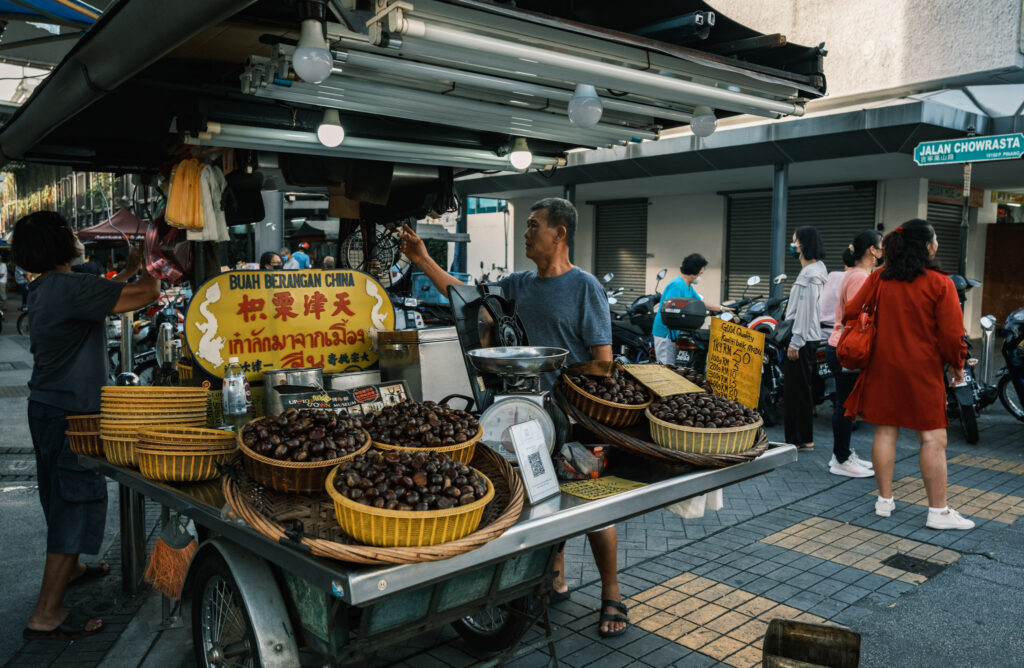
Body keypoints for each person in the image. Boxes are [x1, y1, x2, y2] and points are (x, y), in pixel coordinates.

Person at [399, 199, 630, 638]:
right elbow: (466, 298)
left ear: (559, 233)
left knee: (594, 506)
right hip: (524, 412)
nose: (526, 232)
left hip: (574, 415)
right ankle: (554, 577)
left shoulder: (585, 287)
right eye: (526, 225)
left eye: (533, 225)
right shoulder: (518, 284)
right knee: (541, 499)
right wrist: (422, 259)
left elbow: (603, 363)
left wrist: (573, 392)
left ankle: (612, 594)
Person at [14, 211, 160, 640]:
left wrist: (129, 268)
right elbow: (146, 294)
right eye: (68, 232)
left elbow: (107, 291)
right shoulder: (72, 286)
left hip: (46, 405)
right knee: (75, 502)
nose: (77, 237)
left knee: (59, 497)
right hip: (71, 414)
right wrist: (153, 257)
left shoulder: (46, 286)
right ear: (60, 244)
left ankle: (72, 568)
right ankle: (46, 613)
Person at [843, 219, 974, 530]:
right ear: (926, 246)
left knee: (885, 431)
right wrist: (958, 363)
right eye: (936, 238)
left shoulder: (879, 278)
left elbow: (851, 310)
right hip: (922, 370)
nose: (938, 243)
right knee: (932, 438)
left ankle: (884, 500)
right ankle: (937, 512)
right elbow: (952, 335)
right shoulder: (940, 283)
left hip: (881, 366)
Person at [823, 230, 882, 478]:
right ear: (872, 250)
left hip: (840, 345)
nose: (883, 251)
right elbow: (861, 317)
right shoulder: (860, 278)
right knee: (846, 407)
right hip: (847, 348)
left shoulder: (855, 274)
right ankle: (842, 458)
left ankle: (842, 454)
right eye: (881, 246)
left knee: (845, 405)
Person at [783, 226, 828, 450]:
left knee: (797, 391)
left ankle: (800, 439)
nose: (792, 246)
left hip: (802, 339)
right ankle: (800, 438)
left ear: (803, 245)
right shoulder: (815, 270)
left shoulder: (811, 274)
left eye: (794, 241)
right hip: (806, 337)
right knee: (799, 389)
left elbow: (806, 310)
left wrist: (796, 341)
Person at [651, 253, 731, 365]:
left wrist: (721, 308)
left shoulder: (687, 285)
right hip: (666, 333)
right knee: (666, 367)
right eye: (700, 273)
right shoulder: (677, 285)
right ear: (694, 271)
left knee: (674, 367)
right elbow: (669, 309)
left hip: (675, 333)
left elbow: (700, 302)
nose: (700, 277)